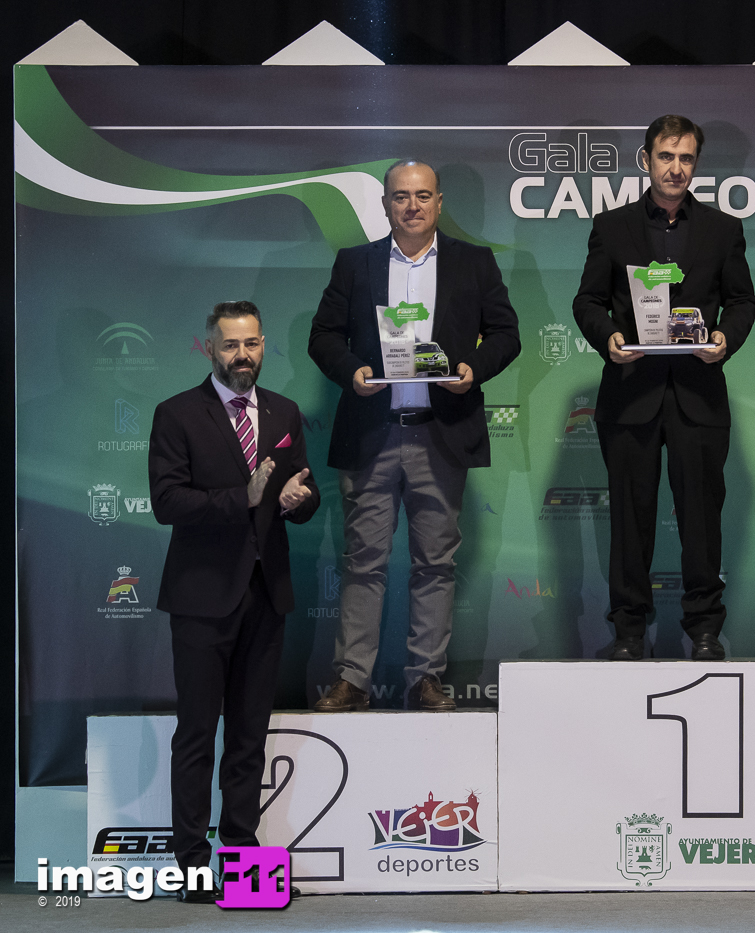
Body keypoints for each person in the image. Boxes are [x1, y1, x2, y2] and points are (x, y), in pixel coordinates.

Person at [309, 159, 520, 711]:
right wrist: (352, 370)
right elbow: (323, 336)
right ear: (386, 204)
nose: (412, 205)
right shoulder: (355, 263)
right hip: (372, 434)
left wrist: (473, 368)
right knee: (363, 562)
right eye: (401, 196)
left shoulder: (473, 262)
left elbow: (506, 333)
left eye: (423, 195)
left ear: (440, 202)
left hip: (440, 434)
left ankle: (426, 678)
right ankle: (353, 680)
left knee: (435, 565)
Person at [150, 300, 320, 901]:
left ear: (263, 345)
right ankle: (194, 866)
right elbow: (167, 502)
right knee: (198, 735)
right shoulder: (177, 413)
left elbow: (302, 490)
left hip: (266, 596)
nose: (242, 355)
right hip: (201, 599)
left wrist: (300, 501)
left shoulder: (284, 411)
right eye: (230, 345)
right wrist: (242, 497)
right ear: (210, 349)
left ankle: (244, 865)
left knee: (249, 738)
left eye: (251, 343)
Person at [573, 114, 755, 661]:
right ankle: (629, 631)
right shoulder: (612, 227)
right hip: (631, 392)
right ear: (646, 160)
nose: (676, 168)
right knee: (630, 520)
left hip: (698, 395)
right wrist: (608, 337)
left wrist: (725, 338)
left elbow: (743, 301)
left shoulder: (723, 229)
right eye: (665, 156)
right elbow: (588, 300)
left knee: (701, 519)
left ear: (695, 164)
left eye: (686, 158)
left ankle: (704, 630)